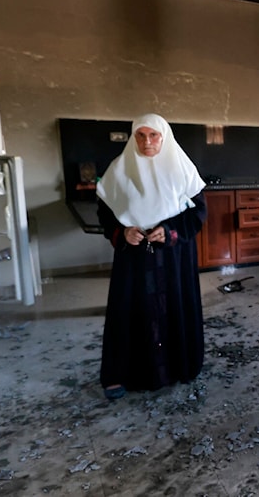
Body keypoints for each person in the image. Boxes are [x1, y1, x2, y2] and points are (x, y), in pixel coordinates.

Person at [96, 113, 208, 400]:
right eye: (141, 135)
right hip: (133, 257)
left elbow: (198, 213)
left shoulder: (181, 168)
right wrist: (122, 233)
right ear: (134, 138)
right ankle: (123, 374)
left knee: (174, 307)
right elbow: (106, 212)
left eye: (154, 135)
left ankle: (179, 367)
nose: (148, 141)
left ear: (164, 136)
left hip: (173, 255)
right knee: (130, 311)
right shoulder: (119, 170)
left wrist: (170, 231)